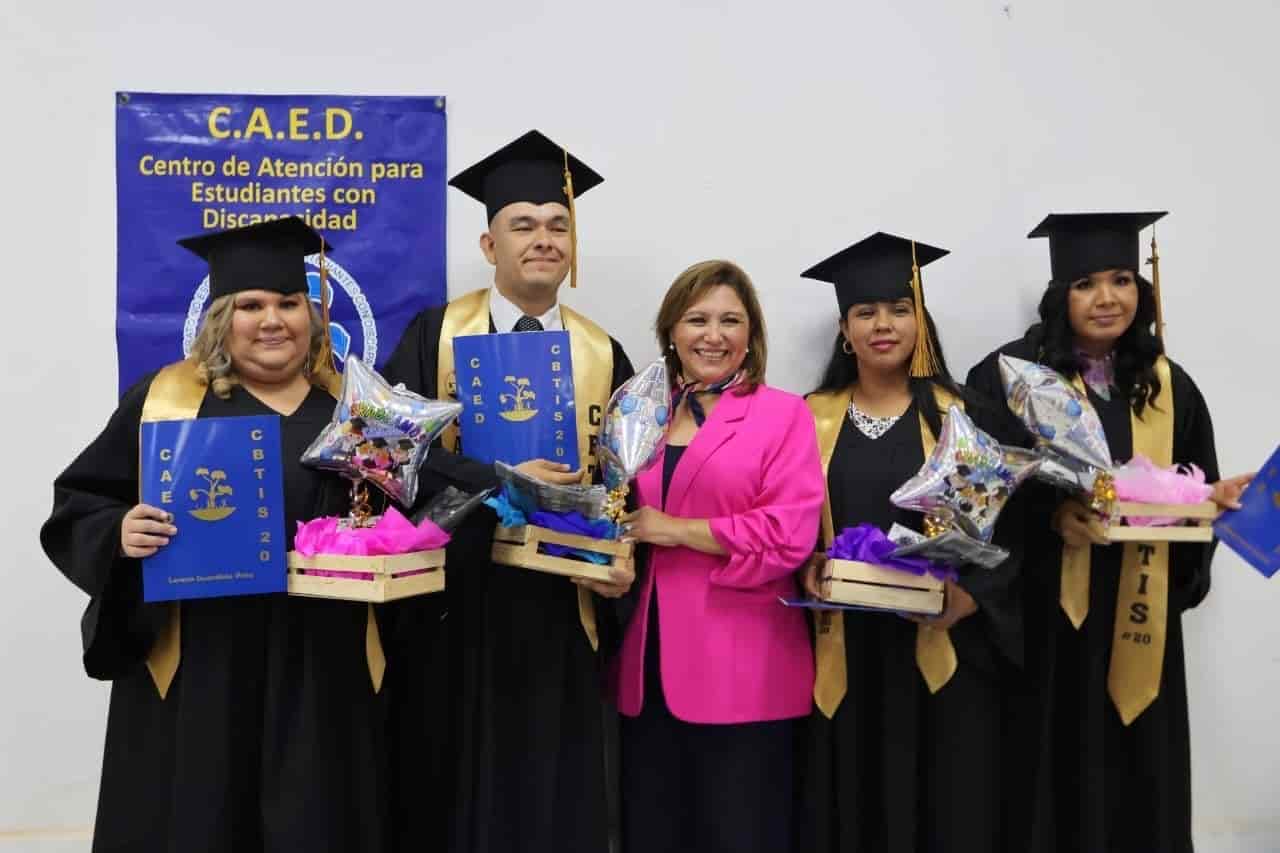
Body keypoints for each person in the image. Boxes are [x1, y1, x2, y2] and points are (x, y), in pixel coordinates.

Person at [40, 217, 393, 853]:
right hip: (203, 660)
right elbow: (81, 501)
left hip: (321, 663)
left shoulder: (355, 410)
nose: (272, 320)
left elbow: (418, 503)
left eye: (289, 303)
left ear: (313, 317)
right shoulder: (166, 401)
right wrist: (119, 529)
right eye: (251, 305)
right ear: (222, 317)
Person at [965, 211, 1253, 853]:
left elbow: (1191, 490)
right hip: (1042, 625)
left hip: (1136, 616)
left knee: (1137, 778)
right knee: (1043, 777)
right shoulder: (1010, 378)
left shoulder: (1168, 386)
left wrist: (1212, 501)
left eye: (1122, 280)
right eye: (1086, 282)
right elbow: (974, 498)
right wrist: (1051, 520)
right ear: (1058, 294)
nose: (1107, 298)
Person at [382, 129, 635, 853]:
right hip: (453, 598)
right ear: (491, 245)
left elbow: (627, 479)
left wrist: (621, 551)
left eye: (558, 225)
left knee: (552, 788)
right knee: (448, 778)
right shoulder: (433, 335)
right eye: (522, 225)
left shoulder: (604, 351)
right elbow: (390, 454)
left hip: (560, 602)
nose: (543, 239)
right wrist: (494, 482)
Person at [795, 233, 1026, 852]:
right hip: (842, 648)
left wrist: (972, 599)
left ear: (921, 321)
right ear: (845, 330)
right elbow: (785, 523)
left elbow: (1011, 530)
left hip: (939, 650)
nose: (883, 324)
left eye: (900, 309)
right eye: (865, 312)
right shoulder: (807, 418)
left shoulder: (965, 416)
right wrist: (803, 568)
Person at [609, 259, 824, 853]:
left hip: (744, 666)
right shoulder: (638, 411)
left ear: (750, 334)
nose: (714, 334)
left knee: (740, 832)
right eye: (697, 318)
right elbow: (617, 511)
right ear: (671, 331)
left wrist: (673, 530)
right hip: (646, 667)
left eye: (731, 320)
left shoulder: (784, 414)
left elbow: (787, 534)